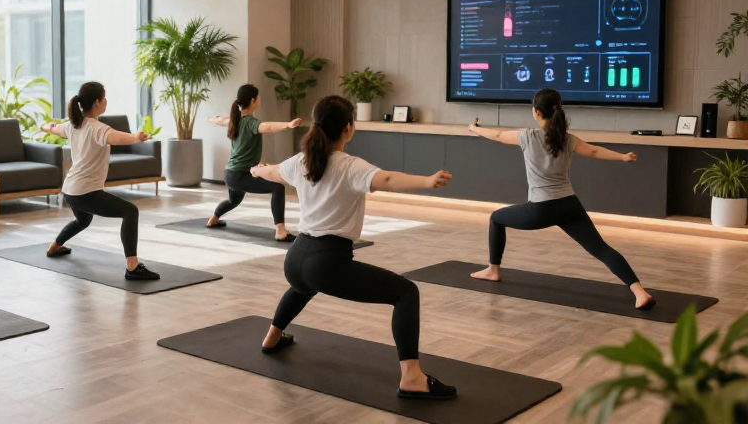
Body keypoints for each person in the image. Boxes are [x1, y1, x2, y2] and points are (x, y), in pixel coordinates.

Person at [250, 95, 457, 400]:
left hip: (295, 260)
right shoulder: (349, 166)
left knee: (302, 286)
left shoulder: (300, 161)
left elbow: (271, 172)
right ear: (348, 128)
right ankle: (412, 377)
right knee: (406, 292)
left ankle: (272, 336)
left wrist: (256, 170)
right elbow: (386, 178)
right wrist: (426, 181)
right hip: (327, 263)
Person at [467, 88, 655, 310]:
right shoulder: (567, 139)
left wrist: (473, 129)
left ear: (536, 112)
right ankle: (639, 292)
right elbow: (594, 151)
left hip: (540, 209)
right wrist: (622, 157)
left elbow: (498, 135)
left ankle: (493, 270)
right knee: (601, 249)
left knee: (496, 218)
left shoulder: (528, 136)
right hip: (568, 205)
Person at [40, 82, 160, 280]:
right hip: (86, 191)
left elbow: (52, 127)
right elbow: (116, 138)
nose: (106, 101)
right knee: (130, 211)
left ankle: (54, 247)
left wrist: (43, 126)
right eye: (104, 98)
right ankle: (132, 267)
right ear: (96, 103)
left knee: (83, 220)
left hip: (70, 189)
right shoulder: (98, 128)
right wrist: (136, 137)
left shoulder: (73, 124)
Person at [206, 84, 302, 241]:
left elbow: (220, 120)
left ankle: (213, 220)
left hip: (231, 173)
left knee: (234, 200)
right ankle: (281, 231)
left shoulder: (235, 120)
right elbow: (268, 127)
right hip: (240, 175)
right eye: (259, 97)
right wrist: (288, 125)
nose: (260, 99)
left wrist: (212, 118)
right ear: (252, 100)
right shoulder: (250, 123)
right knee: (277, 188)